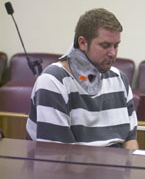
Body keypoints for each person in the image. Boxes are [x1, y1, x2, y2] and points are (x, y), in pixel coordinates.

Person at [26, 8, 138, 149]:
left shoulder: (120, 79)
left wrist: (128, 169)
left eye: (116, 46)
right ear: (83, 43)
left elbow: (130, 141)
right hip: (69, 168)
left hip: (116, 168)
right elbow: (58, 155)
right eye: (105, 46)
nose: (113, 53)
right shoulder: (53, 82)